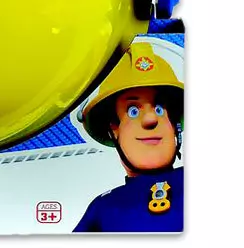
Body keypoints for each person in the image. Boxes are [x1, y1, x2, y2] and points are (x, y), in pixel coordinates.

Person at [74, 42, 183, 233]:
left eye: (159, 109)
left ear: (175, 126)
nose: (151, 119)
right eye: (133, 111)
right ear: (114, 130)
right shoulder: (103, 208)